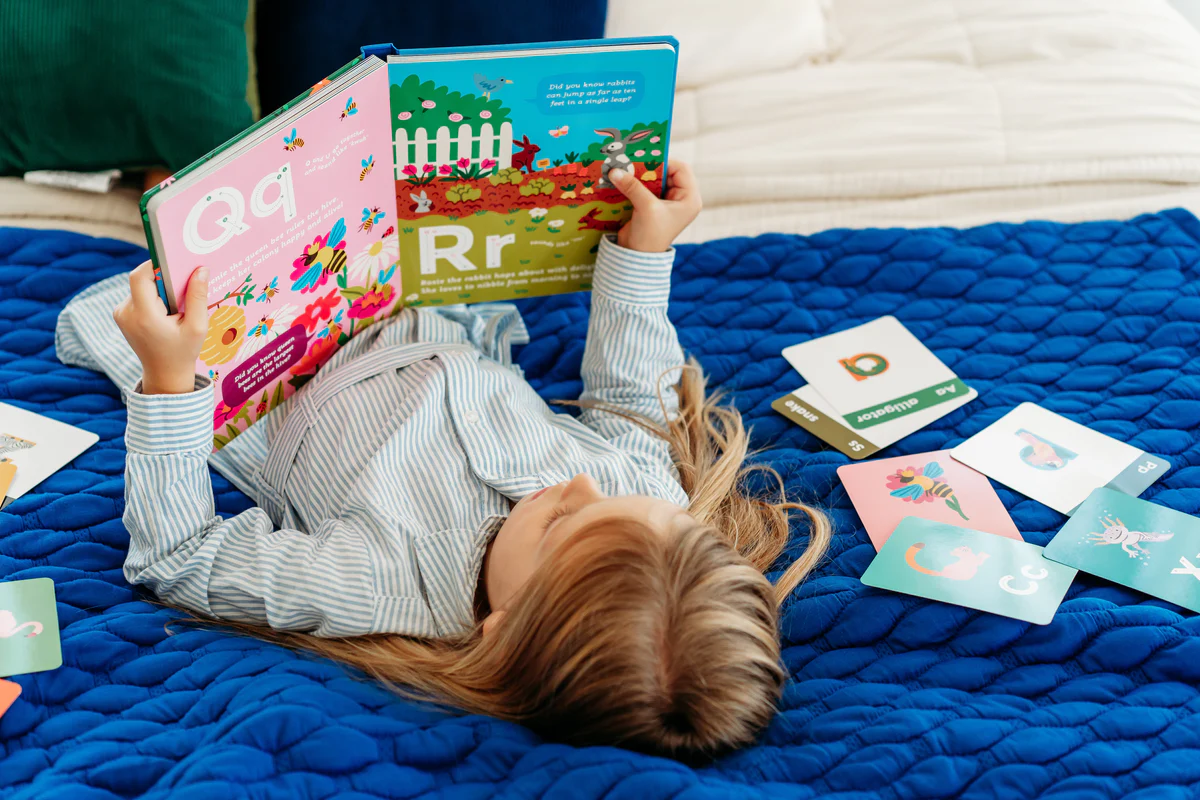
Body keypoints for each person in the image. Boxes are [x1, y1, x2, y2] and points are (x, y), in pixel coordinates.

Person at [63, 162, 830, 757]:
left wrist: (169, 381)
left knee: (193, 213)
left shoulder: (380, 581)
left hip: (274, 359)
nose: (579, 483)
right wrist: (644, 249)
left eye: (560, 524)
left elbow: (179, 556)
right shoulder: (644, 500)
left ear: (501, 629)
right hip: (422, 291)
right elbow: (632, 390)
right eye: (634, 501)